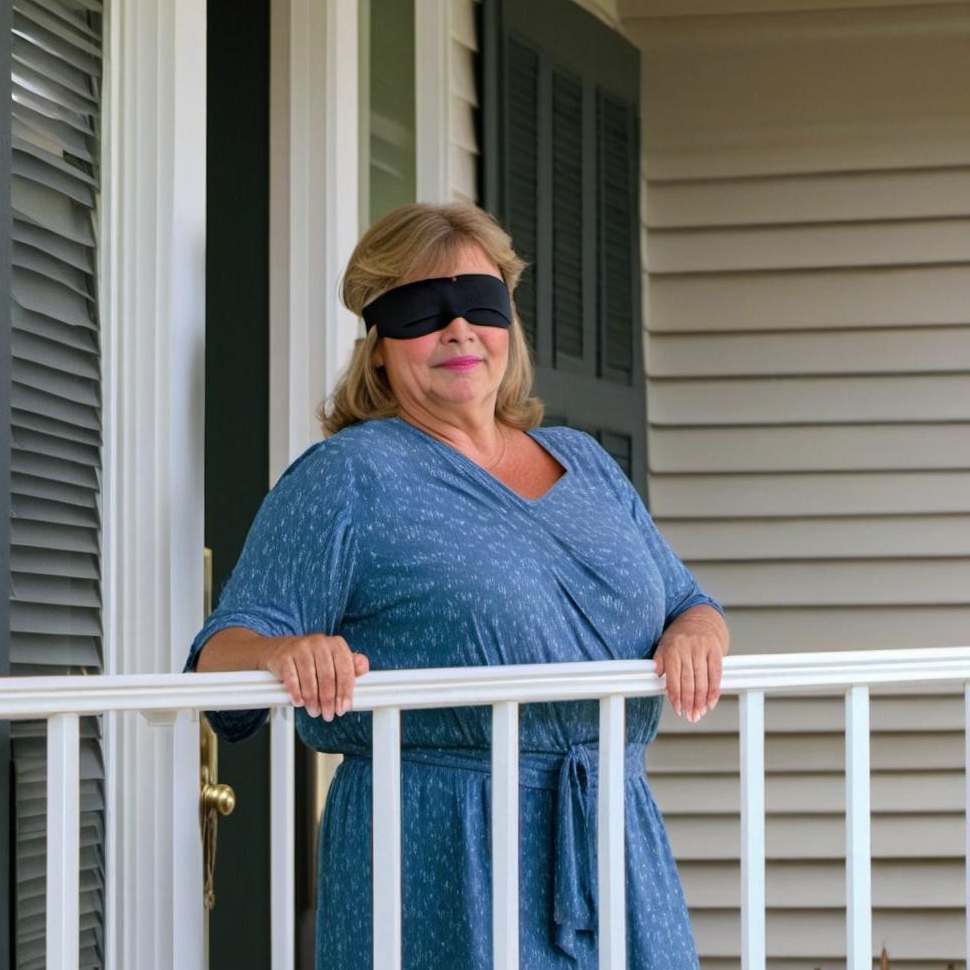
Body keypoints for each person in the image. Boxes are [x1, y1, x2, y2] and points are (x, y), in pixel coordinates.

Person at [183, 201, 730, 969]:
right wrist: (286, 654)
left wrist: (698, 630)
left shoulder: (586, 462)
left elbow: (686, 601)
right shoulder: (348, 478)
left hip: (614, 838)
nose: (459, 330)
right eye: (422, 310)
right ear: (377, 346)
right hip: (445, 850)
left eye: (480, 304)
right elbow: (217, 662)